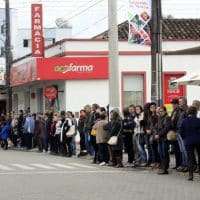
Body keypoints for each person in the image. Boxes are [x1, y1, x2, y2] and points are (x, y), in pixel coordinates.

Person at [179, 106, 200, 181]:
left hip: (188, 141)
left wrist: (185, 138)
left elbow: (181, 131)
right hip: (198, 140)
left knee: (190, 158)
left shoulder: (184, 121)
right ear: (195, 112)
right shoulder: (198, 120)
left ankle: (190, 175)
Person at [155, 106, 172, 175]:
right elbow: (156, 127)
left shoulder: (167, 118)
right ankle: (162, 167)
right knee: (161, 153)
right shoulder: (159, 118)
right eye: (159, 111)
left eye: (162, 111)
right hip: (159, 138)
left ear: (165, 111)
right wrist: (156, 133)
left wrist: (159, 134)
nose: (160, 112)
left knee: (165, 153)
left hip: (164, 138)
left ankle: (165, 168)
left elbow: (167, 128)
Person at [170, 99, 182, 170]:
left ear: (177, 104)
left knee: (178, 149)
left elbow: (177, 121)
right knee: (175, 149)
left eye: (174, 104)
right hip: (173, 131)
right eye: (172, 104)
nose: (173, 105)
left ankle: (180, 164)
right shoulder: (173, 111)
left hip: (177, 131)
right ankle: (177, 164)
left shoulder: (179, 111)